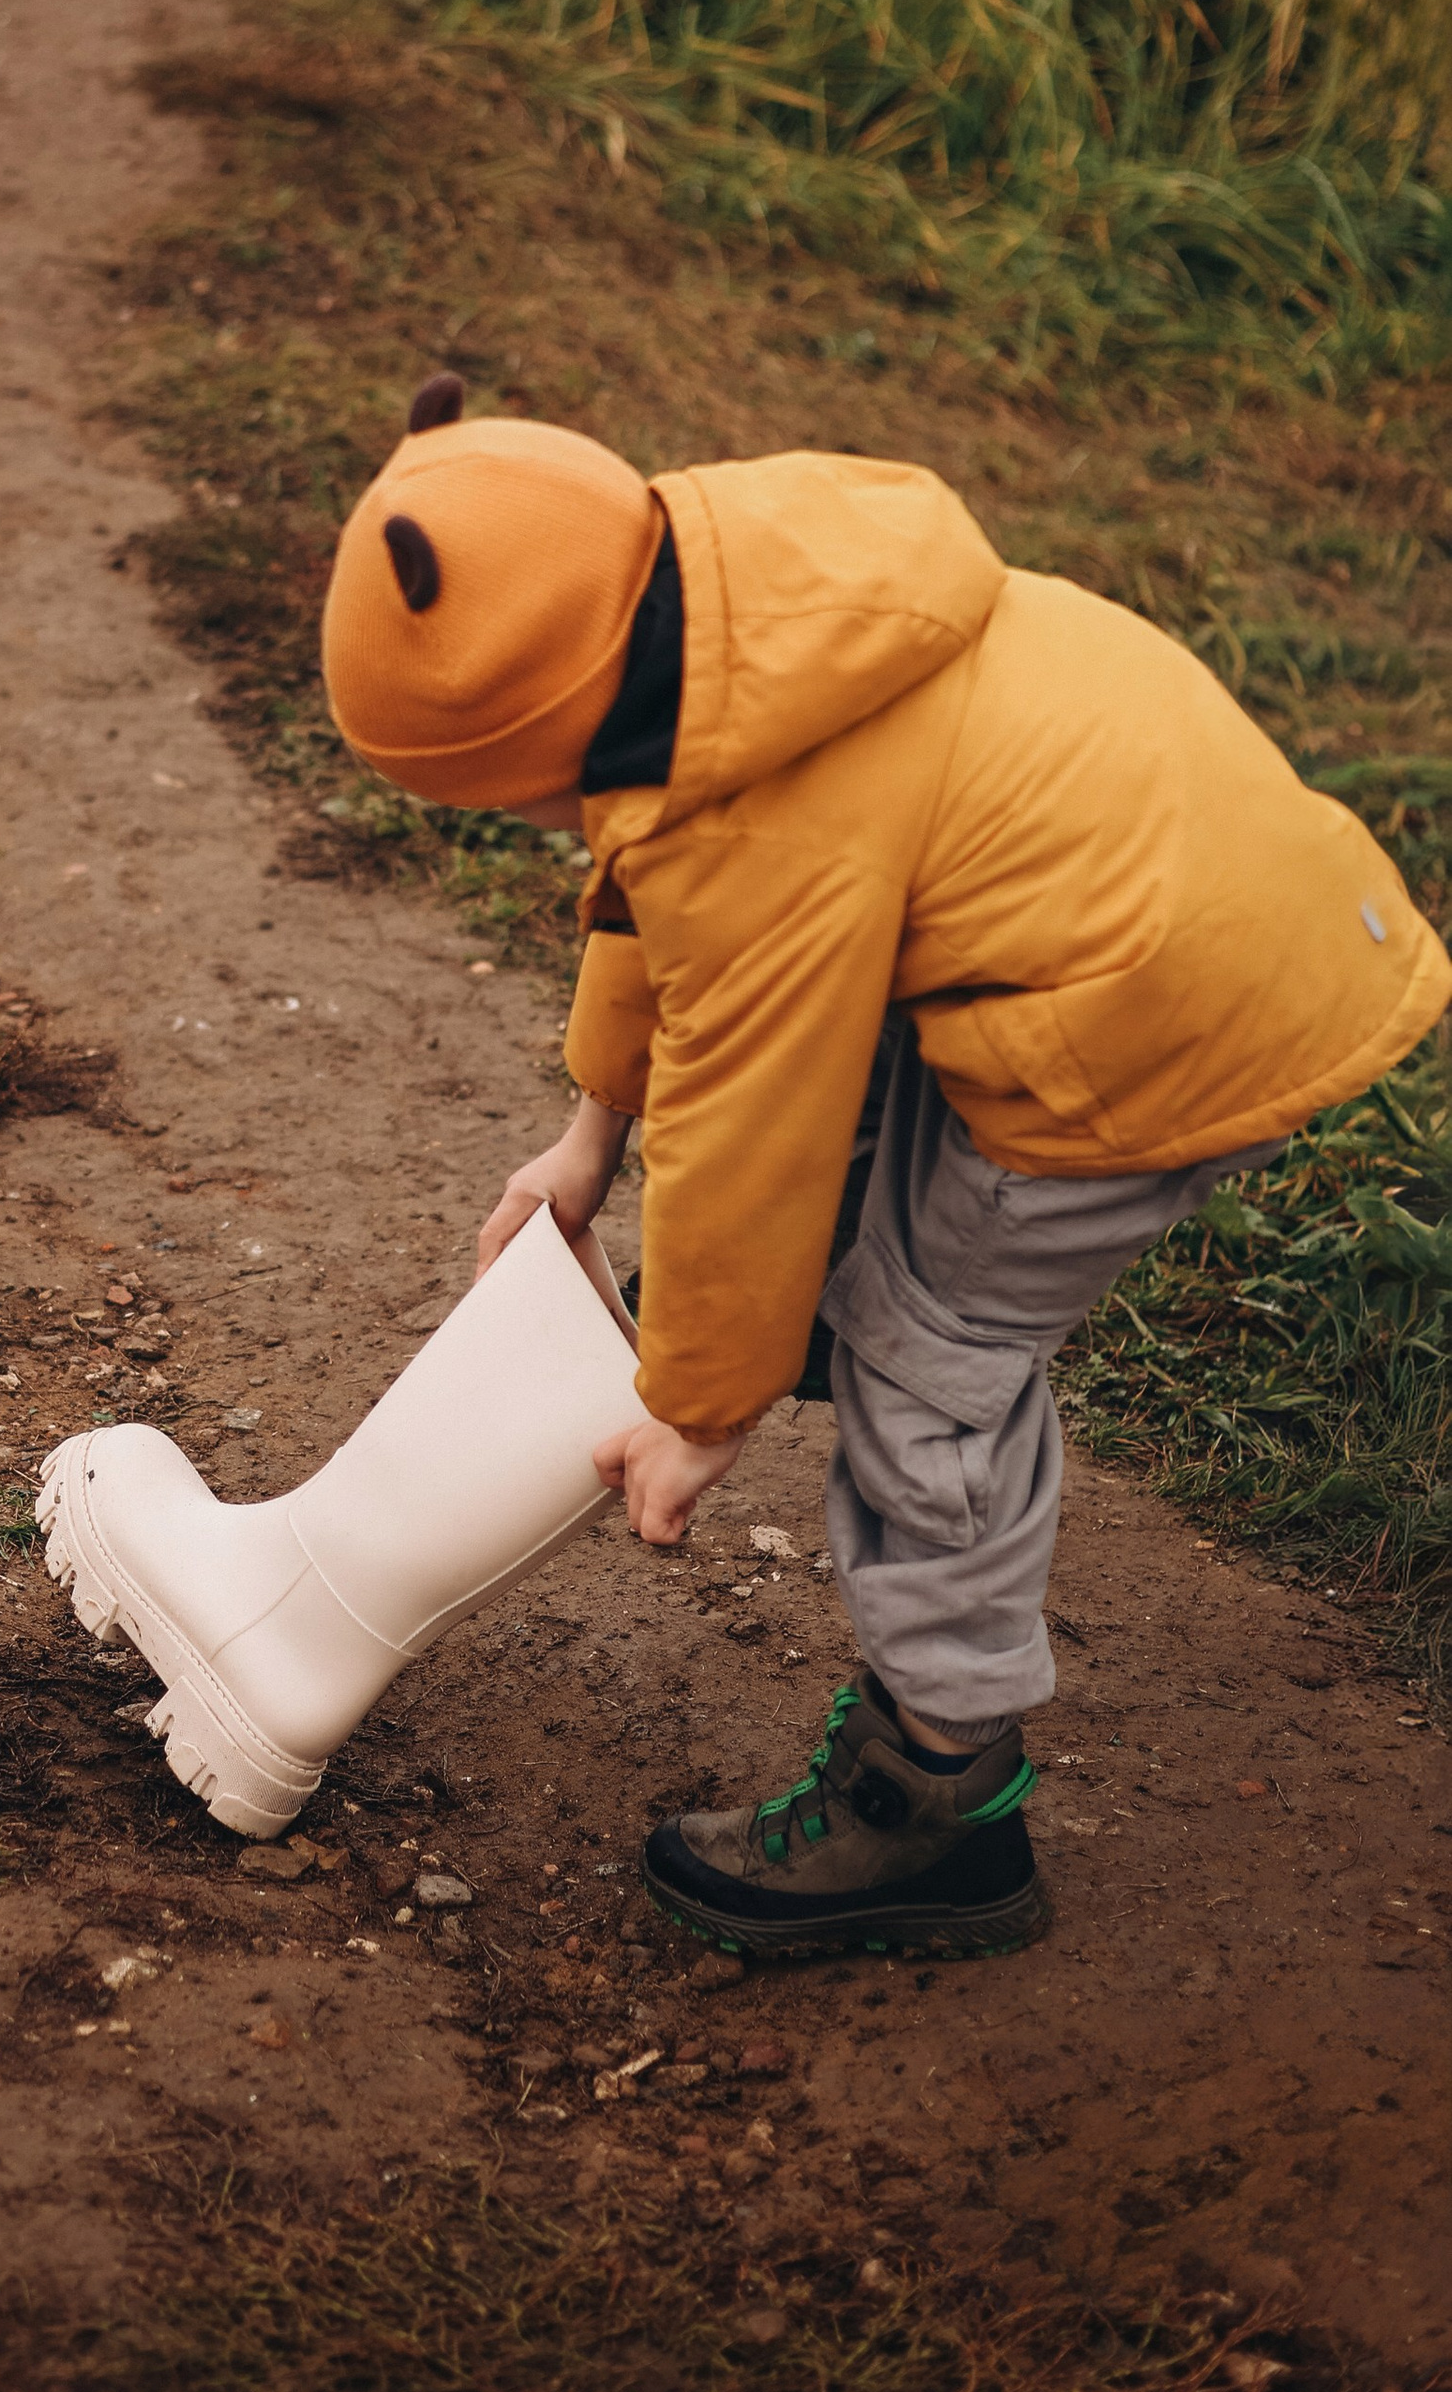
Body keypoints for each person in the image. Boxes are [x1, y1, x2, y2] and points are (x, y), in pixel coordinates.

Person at [319, 376, 1449, 1956]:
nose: (532, 823)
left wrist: (694, 1402)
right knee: (836, 1236)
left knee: (934, 1360)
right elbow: (665, 889)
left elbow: (752, 1100)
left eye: (504, 794)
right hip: (1207, 905)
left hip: (1150, 1018)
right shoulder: (735, 606)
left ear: (543, 729)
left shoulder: (762, 826)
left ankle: (939, 1802)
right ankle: (813, 1316)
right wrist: (591, 1134)